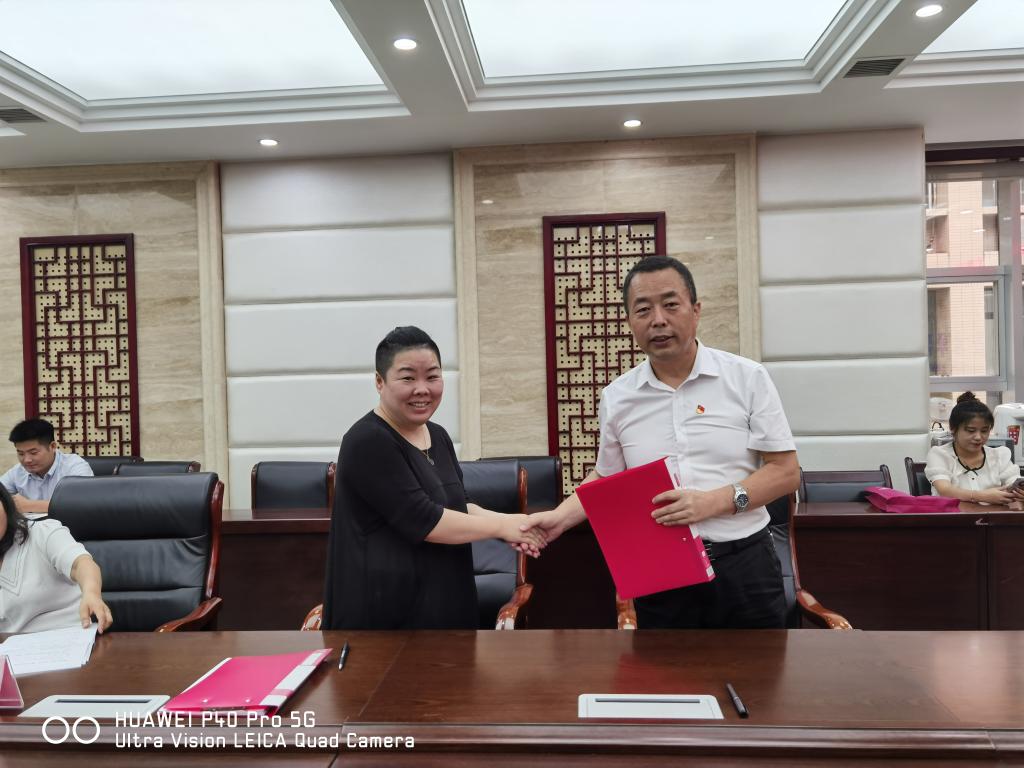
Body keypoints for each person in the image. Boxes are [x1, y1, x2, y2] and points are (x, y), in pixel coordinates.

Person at [522, 255, 800, 629]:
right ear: (630, 322)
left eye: (670, 305)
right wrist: (558, 518)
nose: (658, 320)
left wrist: (712, 502)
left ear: (695, 310)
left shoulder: (747, 378)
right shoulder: (618, 397)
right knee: (667, 668)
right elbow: (606, 477)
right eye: (643, 310)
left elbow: (785, 472)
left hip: (745, 564)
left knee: (757, 669)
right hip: (663, 569)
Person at [323, 326, 546, 630]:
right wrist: (501, 527)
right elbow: (426, 521)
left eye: (432, 376)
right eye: (407, 378)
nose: (422, 389)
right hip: (384, 622)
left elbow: (459, 505)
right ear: (379, 381)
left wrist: (515, 524)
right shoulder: (367, 441)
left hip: (444, 608)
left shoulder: (438, 435)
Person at [0, 485, 112, 633]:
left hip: (69, 637)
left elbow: (81, 564)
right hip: (11, 646)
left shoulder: (42, 533)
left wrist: (91, 593)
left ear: (5, 502)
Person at [925, 392, 1024, 508]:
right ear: (953, 428)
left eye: (984, 431)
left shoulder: (999, 456)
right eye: (971, 431)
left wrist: (1020, 492)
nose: (978, 437)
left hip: (993, 518)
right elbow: (945, 490)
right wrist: (982, 496)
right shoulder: (939, 455)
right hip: (952, 518)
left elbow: (1013, 481)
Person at [1, 418, 93, 515]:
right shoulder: (18, 471)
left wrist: (29, 505)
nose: (27, 460)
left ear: (52, 446)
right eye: (21, 453)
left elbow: (85, 504)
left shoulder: (74, 466)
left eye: (33, 453)